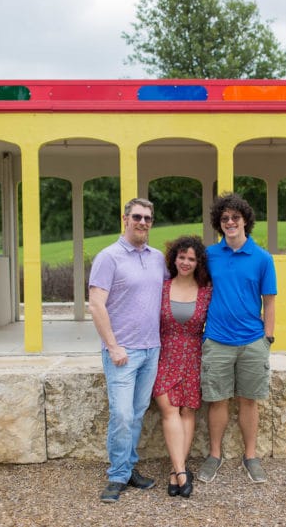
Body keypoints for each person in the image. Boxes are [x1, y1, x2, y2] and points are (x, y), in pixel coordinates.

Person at [88, 197, 169, 503]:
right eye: (137, 216)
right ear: (125, 219)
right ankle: (117, 476)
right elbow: (96, 304)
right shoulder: (109, 257)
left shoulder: (157, 258)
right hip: (122, 351)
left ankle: (128, 468)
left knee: (135, 414)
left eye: (148, 218)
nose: (143, 222)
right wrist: (112, 346)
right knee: (121, 414)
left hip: (152, 349)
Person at [197, 192, 277, 485]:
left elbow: (269, 301)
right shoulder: (210, 255)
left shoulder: (262, 258)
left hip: (252, 342)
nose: (230, 222)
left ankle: (251, 456)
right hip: (217, 340)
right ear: (220, 224)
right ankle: (215, 455)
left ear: (245, 221)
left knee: (248, 401)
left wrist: (267, 338)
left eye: (235, 217)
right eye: (224, 218)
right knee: (216, 401)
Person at [153, 235, 212, 498]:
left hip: (193, 356)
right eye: (181, 257)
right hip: (165, 355)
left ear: (198, 262)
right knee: (169, 410)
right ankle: (181, 470)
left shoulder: (206, 290)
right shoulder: (161, 288)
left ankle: (176, 471)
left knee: (188, 412)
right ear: (173, 258)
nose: (186, 262)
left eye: (191, 258)